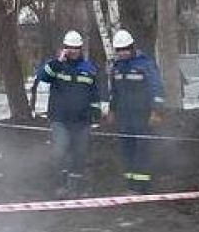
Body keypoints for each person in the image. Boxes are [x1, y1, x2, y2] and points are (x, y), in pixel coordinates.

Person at [29, 30, 102, 194]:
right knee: (61, 149)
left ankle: (75, 186)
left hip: (82, 120)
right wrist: (57, 62)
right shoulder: (56, 66)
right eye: (69, 47)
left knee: (80, 152)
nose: (73, 51)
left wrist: (96, 110)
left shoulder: (88, 68)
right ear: (64, 48)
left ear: (81, 49)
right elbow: (42, 76)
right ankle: (62, 183)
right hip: (60, 119)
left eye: (76, 47)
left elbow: (94, 91)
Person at [108, 29, 165, 193]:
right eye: (119, 50)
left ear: (131, 47)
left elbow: (157, 89)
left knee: (142, 149)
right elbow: (115, 93)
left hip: (142, 115)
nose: (122, 53)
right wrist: (112, 111)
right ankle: (130, 184)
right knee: (127, 149)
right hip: (124, 116)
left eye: (125, 49)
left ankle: (142, 186)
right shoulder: (117, 67)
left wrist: (156, 111)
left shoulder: (145, 64)